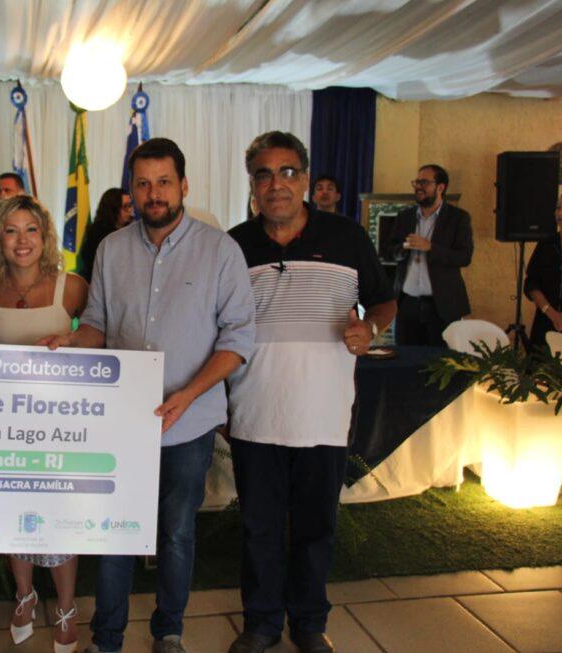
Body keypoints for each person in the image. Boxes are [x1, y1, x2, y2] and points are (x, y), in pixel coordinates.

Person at [41, 138, 256, 653]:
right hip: (123, 421)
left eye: (164, 182)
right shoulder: (112, 250)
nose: (153, 193)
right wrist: (73, 341)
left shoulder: (220, 250)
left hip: (189, 421)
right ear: (131, 191)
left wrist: (189, 394)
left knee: (177, 532)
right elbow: (98, 323)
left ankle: (169, 631)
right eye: (143, 184)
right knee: (115, 530)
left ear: (184, 185)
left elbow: (238, 339)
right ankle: (107, 637)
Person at [225, 131, 396, 653]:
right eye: (264, 174)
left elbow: (384, 300)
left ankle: (308, 622)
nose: (275, 184)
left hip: (323, 413)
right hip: (254, 411)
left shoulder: (347, 237)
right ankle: (260, 624)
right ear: (252, 184)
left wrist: (371, 328)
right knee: (258, 527)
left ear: (304, 179)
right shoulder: (233, 245)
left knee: (316, 527)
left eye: (287, 172)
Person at [0, 194, 88, 653]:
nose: (22, 240)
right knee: (14, 518)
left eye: (31, 230)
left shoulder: (72, 287)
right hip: (7, 429)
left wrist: (72, 341)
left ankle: (66, 607)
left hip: (62, 427)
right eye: (11, 231)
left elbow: (99, 337)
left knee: (60, 521)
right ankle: (24, 596)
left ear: (45, 236)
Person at [386, 164, 473, 346]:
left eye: (424, 182)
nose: (418, 187)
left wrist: (431, 248)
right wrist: (404, 247)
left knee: (440, 359)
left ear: (440, 187)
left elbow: (464, 257)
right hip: (407, 302)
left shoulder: (458, 218)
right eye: (417, 182)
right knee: (405, 356)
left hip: (442, 305)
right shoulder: (405, 216)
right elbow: (390, 252)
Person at [524, 190, 562, 346]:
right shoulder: (546, 244)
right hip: (545, 323)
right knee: (540, 361)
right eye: (558, 208)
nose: (560, 213)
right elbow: (531, 283)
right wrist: (551, 313)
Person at [76, 188, 132, 282]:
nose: (130, 210)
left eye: (130, 205)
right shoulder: (98, 235)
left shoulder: (130, 231)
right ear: (113, 209)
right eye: (126, 207)